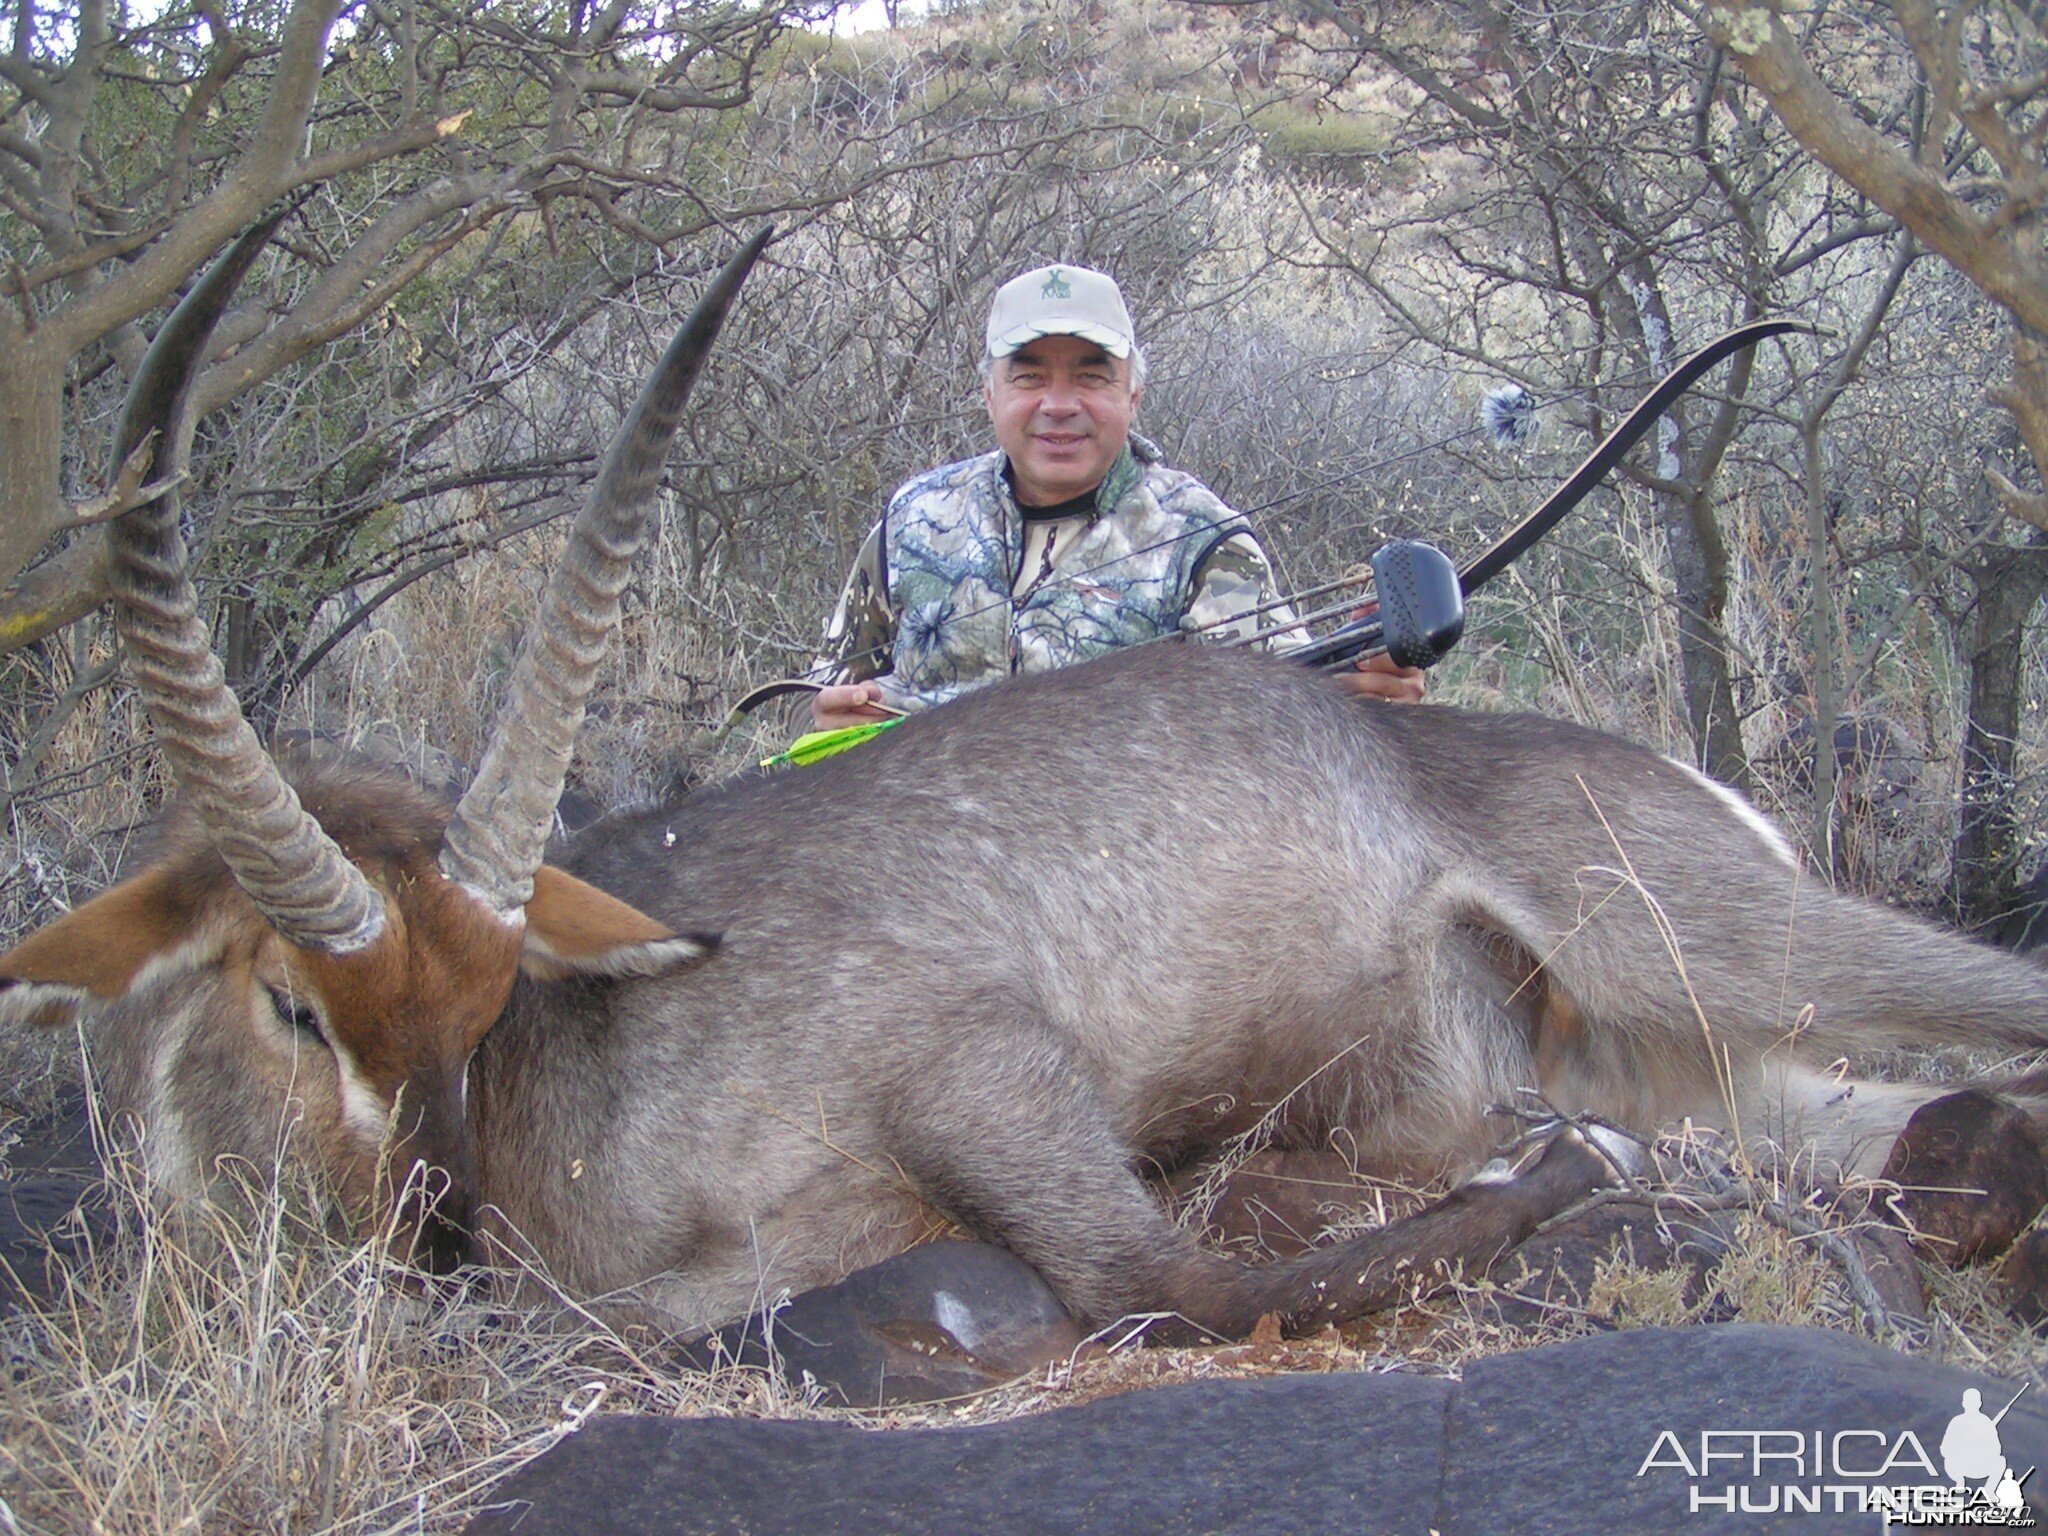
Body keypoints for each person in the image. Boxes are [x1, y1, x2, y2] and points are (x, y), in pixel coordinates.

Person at [810, 261, 1425, 730]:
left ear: (1132, 395)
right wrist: (825, 719)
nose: (1058, 404)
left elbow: (1293, 708)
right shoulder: (917, 517)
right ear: (989, 394)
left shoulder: (1205, 541)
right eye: (1028, 375)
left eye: (1091, 375)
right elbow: (808, 700)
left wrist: (1365, 694)